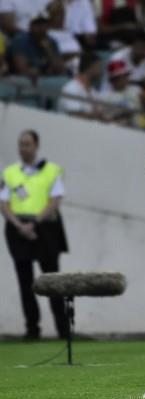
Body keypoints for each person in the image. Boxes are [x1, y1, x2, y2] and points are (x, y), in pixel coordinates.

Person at [0, 130, 69, 340]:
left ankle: (63, 329)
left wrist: (34, 224)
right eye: (21, 144)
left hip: (45, 228)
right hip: (18, 228)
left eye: (27, 144)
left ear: (36, 146)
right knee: (25, 282)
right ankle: (32, 329)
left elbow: (55, 201)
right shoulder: (10, 173)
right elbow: (4, 203)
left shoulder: (51, 170)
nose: (23, 148)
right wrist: (20, 226)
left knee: (53, 280)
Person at [7, 15, 65, 80]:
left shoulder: (51, 41)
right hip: (19, 79)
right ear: (30, 26)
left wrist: (48, 50)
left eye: (44, 24)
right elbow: (22, 69)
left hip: (45, 78)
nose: (41, 28)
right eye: (37, 25)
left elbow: (60, 69)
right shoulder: (21, 41)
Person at [58, 51, 103, 118]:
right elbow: (75, 115)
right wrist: (97, 117)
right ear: (91, 67)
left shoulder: (94, 92)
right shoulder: (71, 88)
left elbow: (99, 113)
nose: (100, 71)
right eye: (98, 67)